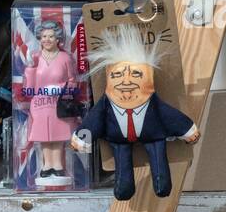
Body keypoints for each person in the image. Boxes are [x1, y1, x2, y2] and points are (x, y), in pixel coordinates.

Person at [71, 24, 199, 200]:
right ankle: (124, 188)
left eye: (136, 74)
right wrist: (82, 137)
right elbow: (94, 119)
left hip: (153, 137)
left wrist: (187, 129)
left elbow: (170, 115)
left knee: (159, 158)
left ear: (149, 78)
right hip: (119, 141)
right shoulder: (106, 104)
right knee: (122, 164)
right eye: (118, 76)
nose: (126, 80)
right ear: (109, 77)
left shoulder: (153, 102)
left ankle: (162, 184)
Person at [20, 20, 78, 186]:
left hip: (59, 104)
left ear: (58, 38)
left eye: (51, 36)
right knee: (44, 136)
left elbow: (73, 81)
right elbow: (28, 89)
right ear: (39, 38)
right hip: (39, 104)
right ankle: (46, 166)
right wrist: (30, 68)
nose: (47, 39)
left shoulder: (65, 58)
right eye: (44, 36)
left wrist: (60, 89)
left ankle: (58, 165)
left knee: (58, 135)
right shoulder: (35, 58)